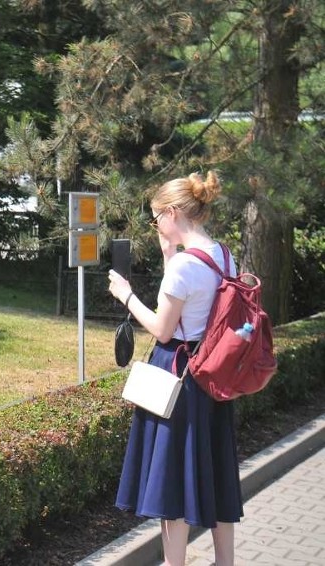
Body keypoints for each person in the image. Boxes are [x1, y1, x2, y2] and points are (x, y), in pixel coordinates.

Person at [107, 171, 242, 566]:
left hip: (178, 374)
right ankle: (225, 562)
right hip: (212, 372)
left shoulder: (184, 266)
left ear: (171, 212)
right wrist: (169, 253)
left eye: (155, 218)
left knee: (173, 478)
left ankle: (174, 563)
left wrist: (127, 295)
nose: (155, 226)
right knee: (214, 469)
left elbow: (164, 329)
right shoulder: (223, 254)